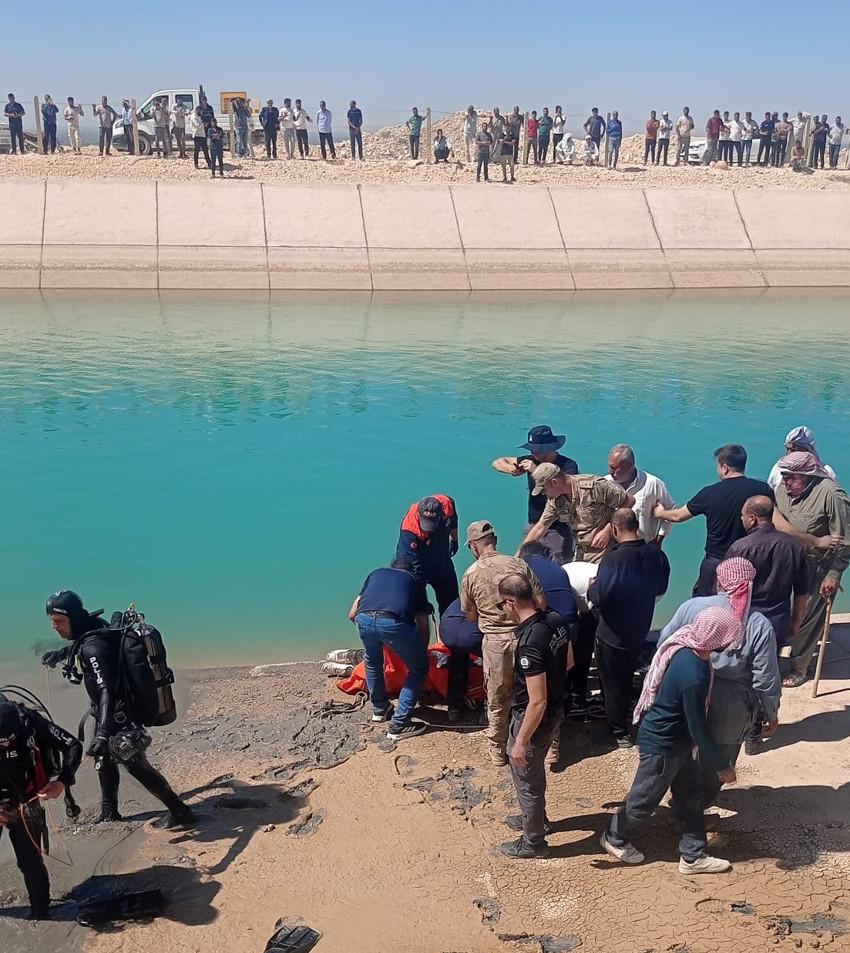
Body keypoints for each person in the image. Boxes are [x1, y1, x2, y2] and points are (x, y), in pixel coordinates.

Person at [600, 606, 742, 874]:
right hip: (663, 747)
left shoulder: (687, 645)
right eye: (728, 637)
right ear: (717, 638)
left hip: (679, 744)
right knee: (643, 802)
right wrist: (722, 765)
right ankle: (614, 836)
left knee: (691, 796)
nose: (730, 642)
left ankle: (693, 856)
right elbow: (697, 726)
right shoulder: (694, 675)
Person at [43, 590, 195, 826]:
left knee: (135, 765)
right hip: (109, 712)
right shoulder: (94, 627)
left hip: (117, 714)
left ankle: (180, 810)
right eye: (52, 622)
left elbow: (106, 690)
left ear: (73, 617)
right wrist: (60, 654)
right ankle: (109, 811)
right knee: (103, 760)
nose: (55, 627)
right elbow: (81, 641)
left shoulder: (93, 647)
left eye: (59, 621)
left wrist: (103, 731)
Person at [657, 558, 781, 799]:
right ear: (750, 584)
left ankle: (681, 802)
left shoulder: (691, 607)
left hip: (689, 690)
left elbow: (665, 643)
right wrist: (771, 712)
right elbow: (765, 679)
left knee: (683, 750)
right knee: (718, 760)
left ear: (720, 582)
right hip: (731, 706)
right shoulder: (758, 624)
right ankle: (696, 809)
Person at [499, 573, 572, 859]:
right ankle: (536, 819)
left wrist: (520, 741)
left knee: (526, 776)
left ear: (510, 603)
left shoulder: (528, 643)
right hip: (556, 710)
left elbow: (536, 701)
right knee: (534, 769)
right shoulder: (554, 620)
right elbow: (569, 662)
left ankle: (534, 841)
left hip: (534, 717)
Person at [461, 521, 545, 765]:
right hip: (526, 635)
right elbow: (541, 603)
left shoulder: (470, 574)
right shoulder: (518, 564)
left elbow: (470, 615)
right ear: (495, 540)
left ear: (474, 547)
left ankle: (498, 750)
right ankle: (547, 747)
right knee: (536, 693)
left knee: (498, 696)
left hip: (496, 643)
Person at [588, 509, 670, 747]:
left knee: (612, 683)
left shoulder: (614, 559)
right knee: (626, 676)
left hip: (612, 632)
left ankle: (618, 731)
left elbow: (600, 597)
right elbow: (660, 587)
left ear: (614, 529)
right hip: (640, 626)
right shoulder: (656, 554)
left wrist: (594, 586)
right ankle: (631, 715)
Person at [0, 698, 82, 920]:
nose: (6, 745)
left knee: (31, 864)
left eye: (10, 740)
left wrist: (62, 782)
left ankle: (41, 916)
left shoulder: (31, 723)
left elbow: (73, 745)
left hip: (25, 798)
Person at [654, 444, 773, 596]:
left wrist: (660, 513)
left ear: (725, 467)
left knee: (705, 606)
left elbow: (678, 516)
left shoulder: (709, 493)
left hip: (716, 562)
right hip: (750, 563)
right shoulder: (762, 490)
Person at [774, 452, 850, 688]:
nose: (784, 481)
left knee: (807, 619)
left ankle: (799, 666)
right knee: (780, 612)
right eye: (783, 476)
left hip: (817, 567)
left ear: (807, 476)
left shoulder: (832, 495)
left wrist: (834, 574)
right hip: (788, 564)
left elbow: (846, 539)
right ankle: (772, 657)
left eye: (790, 477)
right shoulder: (783, 490)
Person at [349, 557, 431, 741]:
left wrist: (373, 631)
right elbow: (423, 624)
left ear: (392, 567)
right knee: (419, 669)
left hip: (363, 618)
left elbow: (352, 613)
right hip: (393, 621)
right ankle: (399, 724)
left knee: (372, 661)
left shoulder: (376, 573)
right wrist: (420, 651)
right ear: (411, 571)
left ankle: (379, 709)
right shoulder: (416, 582)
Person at [726, 496, 809, 647]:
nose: (741, 519)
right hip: (778, 621)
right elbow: (801, 592)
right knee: (769, 667)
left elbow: (726, 590)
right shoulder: (795, 546)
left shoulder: (739, 548)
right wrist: (796, 621)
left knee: (742, 668)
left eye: (743, 515)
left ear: (752, 519)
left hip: (746, 621)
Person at [492, 425, 579, 564]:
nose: (533, 452)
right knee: (529, 568)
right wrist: (512, 470)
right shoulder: (532, 458)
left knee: (560, 568)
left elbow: (566, 491)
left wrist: (535, 471)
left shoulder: (568, 465)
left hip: (558, 529)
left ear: (548, 447)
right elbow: (497, 462)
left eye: (537, 449)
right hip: (533, 525)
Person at [521, 463, 634, 565]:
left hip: (606, 550)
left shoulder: (594, 487)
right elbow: (540, 527)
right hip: (581, 551)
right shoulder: (555, 501)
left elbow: (629, 501)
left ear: (554, 482)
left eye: (543, 489)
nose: (543, 493)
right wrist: (517, 557)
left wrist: (607, 530)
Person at [396, 494, 459, 615]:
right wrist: (422, 600)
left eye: (432, 523)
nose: (428, 528)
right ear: (419, 515)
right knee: (417, 609)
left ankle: (448, 630)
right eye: (426, 524)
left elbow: (453, 521)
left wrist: (455, 540)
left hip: (442, 560)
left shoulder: (447, 504)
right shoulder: (410, 530)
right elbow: (413, 567)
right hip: (417, 563)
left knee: (452, 607)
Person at [605, 444, 674, 546]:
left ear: (630, 465)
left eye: (614, 468)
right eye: (610, 466)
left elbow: (670, 511)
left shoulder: (653, 484)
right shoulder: (605, 483)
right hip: (611, 547)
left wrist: (659, 539)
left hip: (644, 546)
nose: (610, 471)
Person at [439, 598, 483, 723]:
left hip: (447, 629)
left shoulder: (469, 591)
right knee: (495, 663)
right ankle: (488, 709)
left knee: (458, 659)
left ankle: (454, 707)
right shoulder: (500, 592)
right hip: (470, 632)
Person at [767, 426, 837, 490]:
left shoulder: (826, 472)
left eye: (795, 450)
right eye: (788, 449)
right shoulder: (779, 468)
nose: (790, 453)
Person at [190, 105, 211, 170]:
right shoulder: (194, 117)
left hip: (202, 135)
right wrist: (204, 124)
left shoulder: (198, 117)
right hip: (197, 135)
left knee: (205, 150)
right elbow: (197, 125)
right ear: (198, 110)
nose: (202, 113)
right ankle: (196, 164)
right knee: (197, 150)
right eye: (201, 111)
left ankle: (209, 163)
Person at [171, 95, 188, 159]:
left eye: (181, 100)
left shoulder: (184, 107)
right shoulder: (174, 106)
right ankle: (180, 153)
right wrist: (177, 112)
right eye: (179, 100)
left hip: (182, 126)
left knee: (183, 140)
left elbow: (188, 110)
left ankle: (184, 152)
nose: (180, 101)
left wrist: (185, 113)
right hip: (176, 126)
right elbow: (171, 111)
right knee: (178, 140)